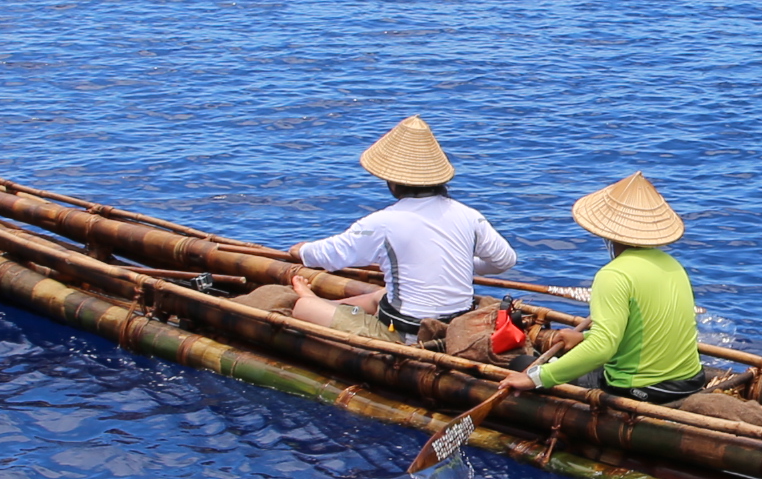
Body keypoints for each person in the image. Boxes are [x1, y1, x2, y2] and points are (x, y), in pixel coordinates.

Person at [266, 115, 515, 344]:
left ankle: (314, 303)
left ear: (394, 182)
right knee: (380, 296)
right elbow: (504, 260)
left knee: (301, 308)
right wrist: (463, 262)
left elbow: (330, 256)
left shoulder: (382, 222)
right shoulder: (469, 215)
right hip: (453, 327)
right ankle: (329, 306)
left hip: (407, 334)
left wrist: (300, 250)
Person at [494, 172, 707, 405]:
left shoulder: (613, 274)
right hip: (691, 380)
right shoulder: (672, 265)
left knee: (522, 365)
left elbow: (603, 348)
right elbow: (641, 331)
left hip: (645, 389)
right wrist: (584, 337)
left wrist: (536, 378)